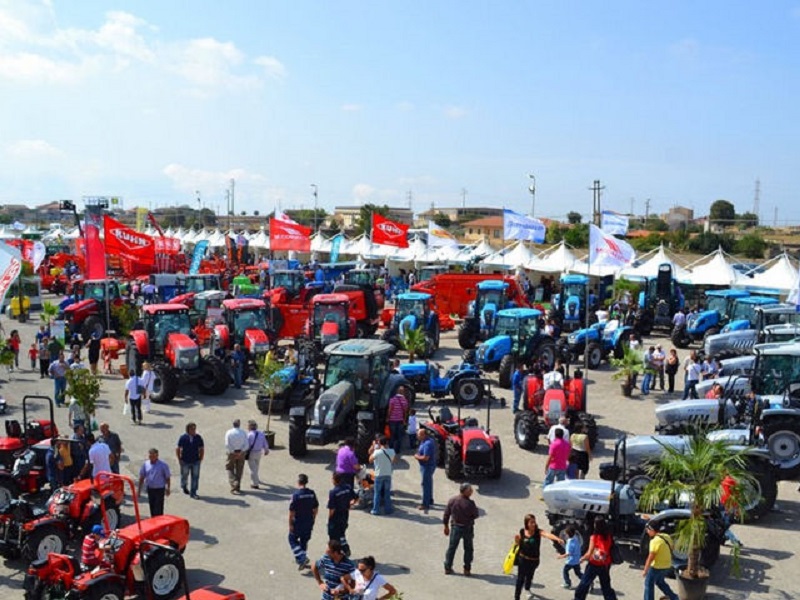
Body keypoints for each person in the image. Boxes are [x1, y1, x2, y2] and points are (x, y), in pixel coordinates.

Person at [513, 513, 563, 599]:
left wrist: (557, 539)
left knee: (530, 576)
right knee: (520, 579)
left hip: (533, 560)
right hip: (522, 559)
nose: (533, 524)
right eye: (531, 522)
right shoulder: (522, 531)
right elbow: (518, 544)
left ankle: (527, 589)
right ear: (526, 523)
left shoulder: (538, 532)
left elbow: (547, 534)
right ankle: (517, 597)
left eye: (534, 522)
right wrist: (517, 540)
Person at [573, 517, 618, 600]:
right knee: (606, 586)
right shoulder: (608, 536)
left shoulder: (594, 537)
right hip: (605, 564)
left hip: (594, 564)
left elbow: (589, 553)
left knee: (584, 584)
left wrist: (581, 559)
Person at [443, 482, 480, 576]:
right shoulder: (470, 503)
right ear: (465, 491)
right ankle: (467, 569)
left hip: (455, 528)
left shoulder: (452, 500)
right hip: (467, 528)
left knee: (452, 548)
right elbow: (475, 515)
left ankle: (447, 567)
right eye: (470, 490)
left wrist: (446, 526)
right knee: (468, 549)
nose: (472, 492)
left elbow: (446, 514)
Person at [289, 473, 319, 570]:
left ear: (298, 482)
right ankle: (302, 560)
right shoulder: (311, 493)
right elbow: (315, 508)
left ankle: (302, 558)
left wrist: (290, 524)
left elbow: (291, 512)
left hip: (298, 522)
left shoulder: (296, 495)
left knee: (292, 538)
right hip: (308, 521)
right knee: (304, 540)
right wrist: (313, 519)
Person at [642, 521, 679, 600]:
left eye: (648, 530)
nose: (647, 532)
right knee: (660, 582)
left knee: (648, 584)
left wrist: (645, 570)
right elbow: (672, 548)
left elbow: (651, 557)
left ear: (652, 530)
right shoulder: (666, 536)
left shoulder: (654, 541)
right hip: (667, 565)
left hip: (656, 567)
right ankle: (674, 597)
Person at [328, 472, 357, 557]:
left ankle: (335, 553)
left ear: (334, 480)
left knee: (333, 536)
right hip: (345, 515)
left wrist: (330, 518)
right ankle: (345, 548)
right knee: (341, 533)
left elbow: (332, 508)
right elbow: (356, 497)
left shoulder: (333, 492)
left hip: (335, 517)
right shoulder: (348, 487)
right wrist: (350, 505)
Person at [137, 448, 171, 517]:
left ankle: (159, 523)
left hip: (159, 489)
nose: (151, 457)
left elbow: (167, 477)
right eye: (150, 456)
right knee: (152, 507)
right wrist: (139, 490)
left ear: (157, 456)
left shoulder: (163, 465)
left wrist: (168, 488)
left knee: (158, 508)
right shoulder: (146, 464)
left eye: (153, 456)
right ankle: (154, 521)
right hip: (150, 489)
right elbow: (142, 477)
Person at [368, 435, 396, 515]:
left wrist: (374, 448)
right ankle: (388, 509)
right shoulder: (392, 451)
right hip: (388, 474)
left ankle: (375, 510)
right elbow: (393, 461)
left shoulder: (377, 452)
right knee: (387, 493)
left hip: (378, 474)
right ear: (387, 442)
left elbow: (370, 460)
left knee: (377, 493)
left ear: (379, 443)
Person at [176, 422, 204, 498]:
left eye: (194, 429)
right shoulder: (183, 438)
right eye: (192, 429)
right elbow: (178, 448)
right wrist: (179, 459)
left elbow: (201, 448)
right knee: (184, 475)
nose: (194, 430)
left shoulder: (198, 438)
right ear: (188, 430)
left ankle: (193, 492)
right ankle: (184, 485)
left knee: (195, 477)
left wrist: (200, 458)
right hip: (185, 460)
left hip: (195, 460)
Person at [414, 429, 436, 512]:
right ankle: (430, 499)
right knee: (429, 482)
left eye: (419, 434)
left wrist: (417, 457)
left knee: (425, 484)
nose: (417, 436)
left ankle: (425, 504)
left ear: (424, 435)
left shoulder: (427, 444)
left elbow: (426, 458)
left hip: (427, 466)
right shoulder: (425, 441)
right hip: (427, 466)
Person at [224, 419, 248, 494]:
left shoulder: (229, 432)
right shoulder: (243, 432)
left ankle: (234, 483)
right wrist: (240, 452)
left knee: (229, 467)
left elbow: (227, 444)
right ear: (239, 424)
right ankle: (237, 486)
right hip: (241, 453)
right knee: (239, 469)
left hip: (232, 453)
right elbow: (247, 444)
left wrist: (233, 452)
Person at [246, 419, 270, 489]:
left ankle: (255, 484)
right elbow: (265, 443)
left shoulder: (249, 435)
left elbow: (247, 445)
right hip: (259, 452)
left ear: (250, 427)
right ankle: (257, 479)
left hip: (252, 453)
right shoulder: (261, 434)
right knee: (256, 466)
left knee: (252, 469)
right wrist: (266, 450)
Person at [385, 387, 409, 455]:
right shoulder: (405, 400)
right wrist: (404, 420)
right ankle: (397, 450)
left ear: (397, 392)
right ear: (403, 392)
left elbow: (390, 410)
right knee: (399, 436)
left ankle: (391, 449)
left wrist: (387, 417)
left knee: (392, 435)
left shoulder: (392, 400)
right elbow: (405, 412)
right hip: (400, 420)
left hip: (392, 420)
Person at [559, 524, 583, 589]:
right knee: (578, 573)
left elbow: (568, 553)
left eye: (566, 533)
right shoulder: (575, 538)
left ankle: (567, 583)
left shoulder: (570, 542)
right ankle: (587, 581)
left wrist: (561, 556)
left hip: (571, 561)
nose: (565, 534)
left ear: (568, 534)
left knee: (565, 571)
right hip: (577, 560)